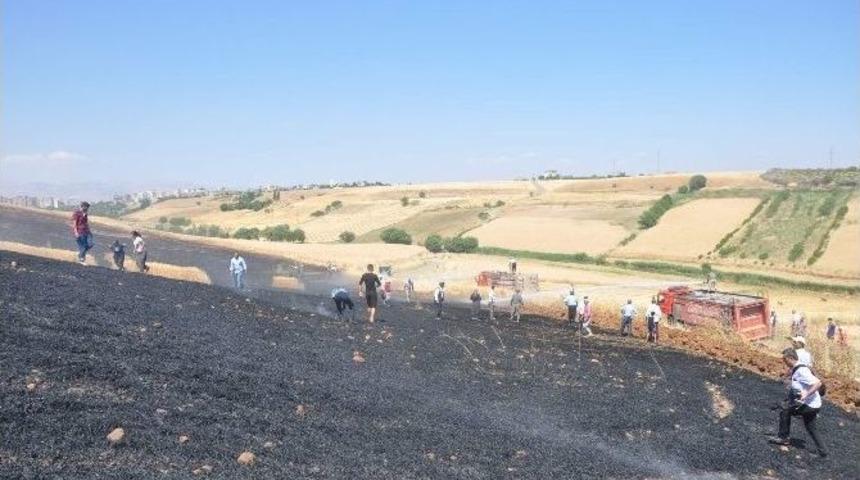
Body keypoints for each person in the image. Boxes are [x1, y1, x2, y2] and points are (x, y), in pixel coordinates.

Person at [769, 348, 827, 457]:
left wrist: (806, 394)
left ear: (790, 358)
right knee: (811, 427)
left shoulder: (801, 370)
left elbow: (818, 383)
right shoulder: (796, 368)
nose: (784, 362)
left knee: (785, 411)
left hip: (809, 405)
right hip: (814, 404)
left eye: (785, 359)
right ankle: (823, 451)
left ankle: (783, 438)